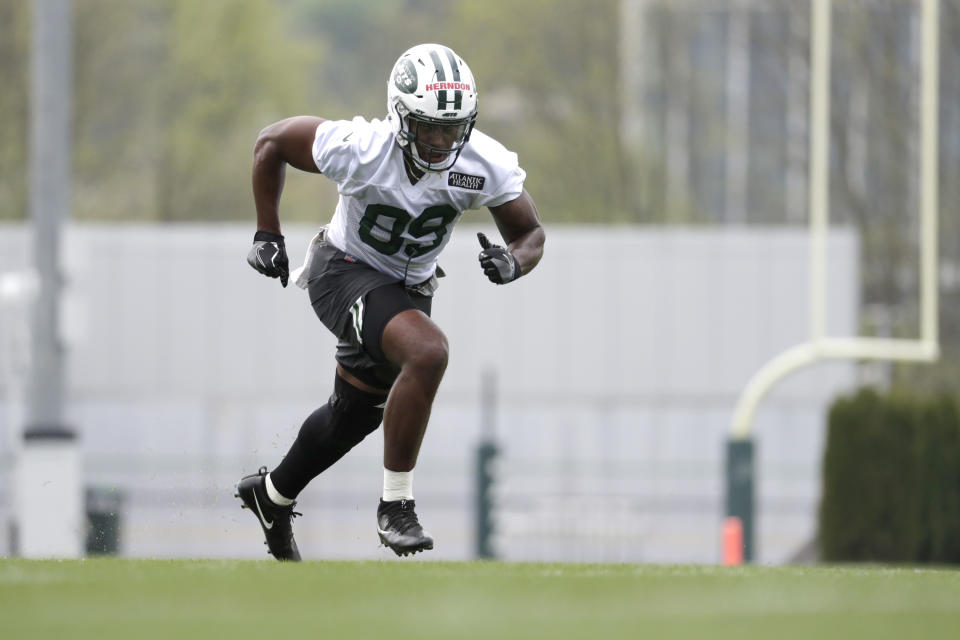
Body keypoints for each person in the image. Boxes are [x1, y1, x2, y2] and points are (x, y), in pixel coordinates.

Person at [235, 43, 545, 560]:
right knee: (428, 352)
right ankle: (395, 507)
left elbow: (530, 232)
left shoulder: (481, 161)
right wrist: (268, 234)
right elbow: (270, 144)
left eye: (453, 128)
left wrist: (514, 262)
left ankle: (272, 496)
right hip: (343, 270)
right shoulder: (360, 147)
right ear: (400, 116)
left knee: (353, 416)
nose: (443, 140)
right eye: (429, 126)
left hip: (409, 290)